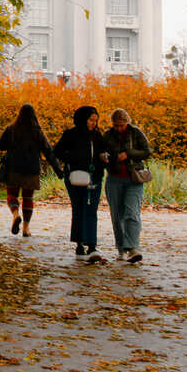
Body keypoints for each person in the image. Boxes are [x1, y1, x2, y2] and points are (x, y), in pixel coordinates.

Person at [53, 105, 108, 264]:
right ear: (83, 119)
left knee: (91, 209)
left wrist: (103, 159)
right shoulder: (71, 134)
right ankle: (79, 244)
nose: (93, 123)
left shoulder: (97, 136)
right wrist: (73, 159)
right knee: (78, 208)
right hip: (75, 177)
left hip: (94, 177)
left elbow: (102, 152)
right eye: (91, 120)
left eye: (95, 121)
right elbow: (57, 151)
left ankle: (91, 246)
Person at [100, 107, 153, 263]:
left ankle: (133, 248)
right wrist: (104, 156)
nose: (119, 128)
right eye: (116, 125)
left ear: (127, 123)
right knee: (117, 216)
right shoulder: (108, 135)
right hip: (114, 179)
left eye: (121, 125)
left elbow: (146, 152)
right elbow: (101, 151)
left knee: (132, 213)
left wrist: (128, 153)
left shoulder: (136, 133)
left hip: (133, 178)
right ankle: (121, 249)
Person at [0, 104, 58, 237]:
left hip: (13, 168)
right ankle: (26, 228)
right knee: (28, 198)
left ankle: (15, 214)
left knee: (12, 194)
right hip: (32, 170)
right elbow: (48, 151)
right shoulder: (38, 132)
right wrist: (58, 170)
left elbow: (0, 146)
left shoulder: (11, 129)